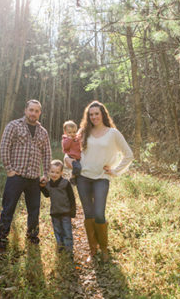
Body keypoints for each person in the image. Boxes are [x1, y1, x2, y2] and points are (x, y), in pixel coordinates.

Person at [76, 100, 133, 263]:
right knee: (88, 214)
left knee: (99, 213)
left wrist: (115, 170)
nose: (94, 117)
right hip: (83, 177)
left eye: (97, 114)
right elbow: (70, 151)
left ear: (103, 115)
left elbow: (129, 154)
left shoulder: (113, 133)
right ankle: (92, 250)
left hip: (102, 178)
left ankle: (104, 249)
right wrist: (68, 161)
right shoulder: (83, 132)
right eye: (91, 114)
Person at [0, 99, 52, 251]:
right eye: (31, 110)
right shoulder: (13, 126)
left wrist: (45, 174)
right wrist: (9, 169)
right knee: (8, 208)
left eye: (37, 111)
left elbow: (47, 154)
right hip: (16, 176)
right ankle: (2, 239)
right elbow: (4, 146)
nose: (33, 113)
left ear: (40, 113)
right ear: (25, 110)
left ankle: (32, 237)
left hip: (34, 178)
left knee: (34, 210)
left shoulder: (43, 132)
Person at [40, 160, 75, 256]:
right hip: (55, 212)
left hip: (65, 212)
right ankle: (60, 248)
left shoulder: (65, 183)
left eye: (57, 172)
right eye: (52, 172)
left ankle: (69, 251)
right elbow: (47, 195)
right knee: (57, 231)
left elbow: (72, 198)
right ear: (48, 172)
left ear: (61, 173)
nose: (54, 174)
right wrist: (42, 187)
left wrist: (73, 211)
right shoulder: (48, 184)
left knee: (67, 232)